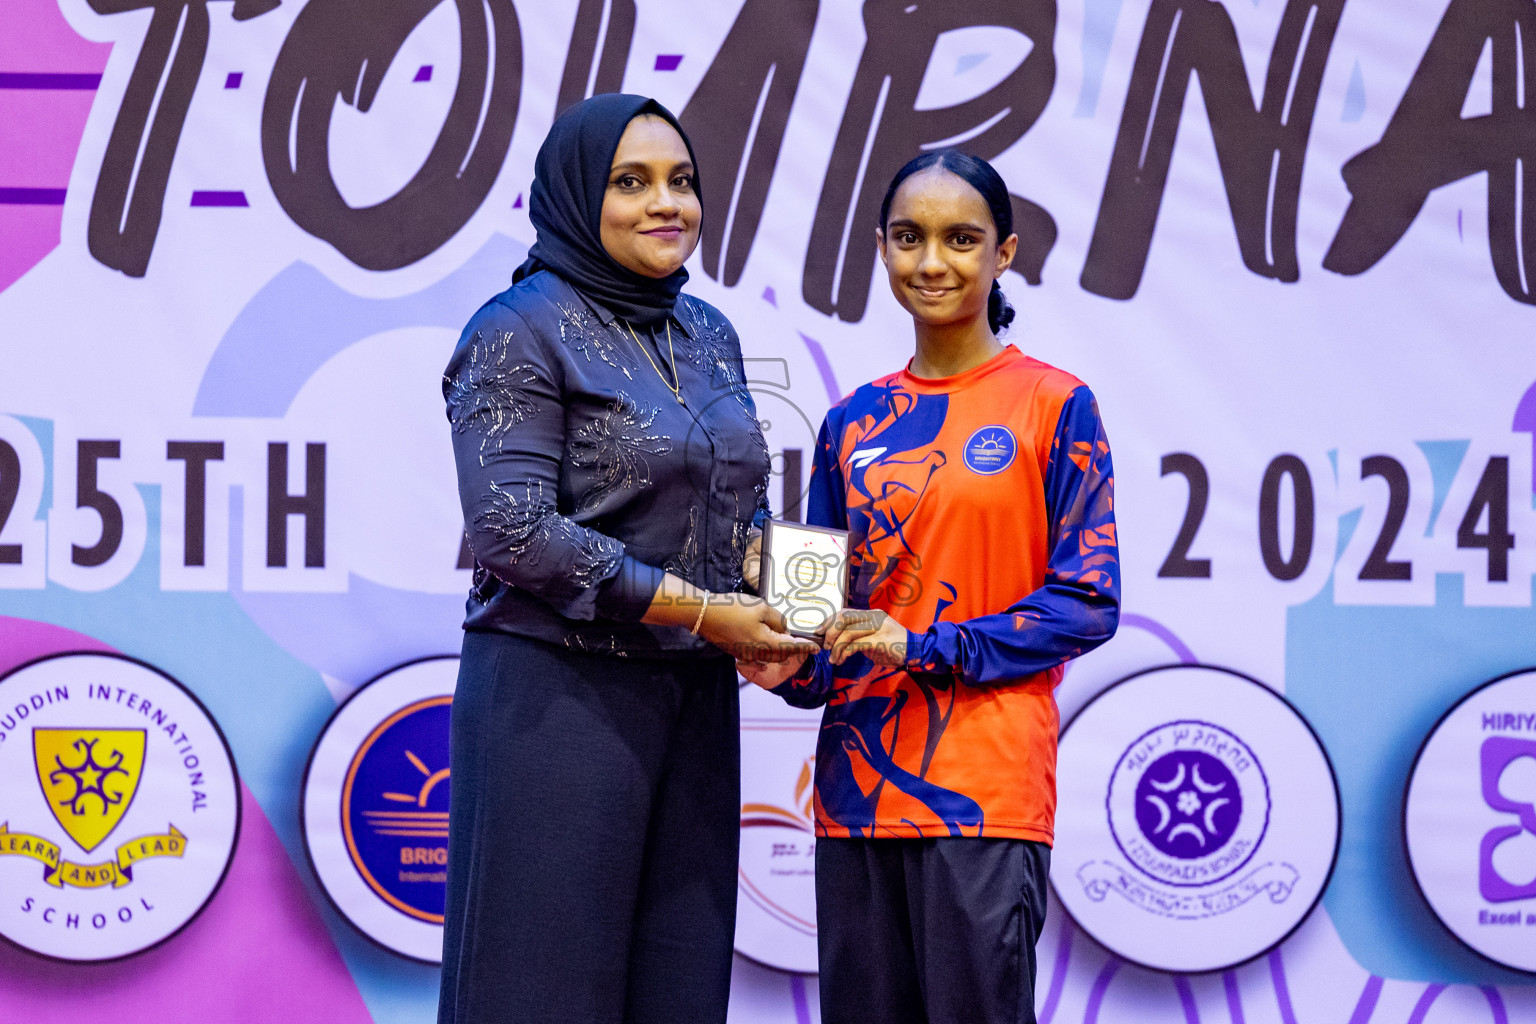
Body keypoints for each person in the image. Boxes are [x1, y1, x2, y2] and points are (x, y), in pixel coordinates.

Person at [438, 94, 812, 1024]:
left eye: (681, 181)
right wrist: (701, 610)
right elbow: (511, 531)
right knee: (542, 993)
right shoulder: (514, 328)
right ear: (574, 196)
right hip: (557, 708)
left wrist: (789, 599)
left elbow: (734, 496)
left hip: (689, 703)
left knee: (677, 992)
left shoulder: (708, 331)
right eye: (631, 181)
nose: (666, 203)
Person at [740, 150, 1121, 1024]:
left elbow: (1088, 601)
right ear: (881, 249)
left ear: (1006, 252)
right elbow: (820, 631)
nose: (932, 262)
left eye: (961, 239)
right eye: (909, 239)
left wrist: (919, 644)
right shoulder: (852, 422)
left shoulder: (1055, 404)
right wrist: (779, 658)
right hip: (853, 797)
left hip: (983, 795)